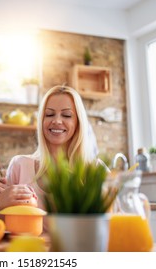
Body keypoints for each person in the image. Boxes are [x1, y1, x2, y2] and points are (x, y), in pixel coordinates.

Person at [6, 85, 95, 215]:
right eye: (49, 114)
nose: (57, 121)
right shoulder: (19, 165)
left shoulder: (95, 171)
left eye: (66, 115)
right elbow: (2, 219)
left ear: (78, 123)